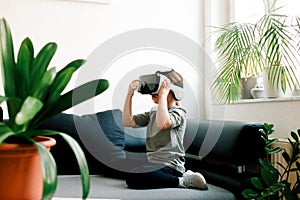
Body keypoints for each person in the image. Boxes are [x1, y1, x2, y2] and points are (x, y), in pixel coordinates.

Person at [122, 69, 208, 190]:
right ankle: (176, 176)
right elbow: (127, 121)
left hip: (170, 166)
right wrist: (129, 94)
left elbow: (163, 123)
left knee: (133, 178)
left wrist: (162, 95)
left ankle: (183, 181)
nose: (154, 94)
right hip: (152, 163)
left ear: (172, 90)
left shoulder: (179, 112)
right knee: (121, 168)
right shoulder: (153, 111)